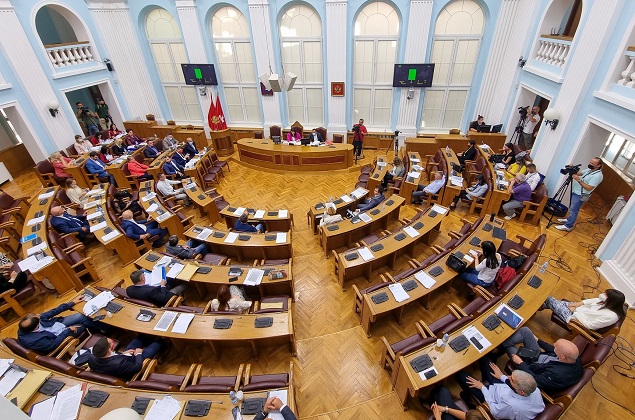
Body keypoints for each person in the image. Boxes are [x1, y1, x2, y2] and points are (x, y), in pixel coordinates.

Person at [502, 326, 583, 393]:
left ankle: (499, 346)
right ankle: (502, 344)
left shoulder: (556, 375)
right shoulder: (573, 357)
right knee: (525, 331)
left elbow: (535, 380)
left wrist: (520, 363)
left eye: (556, 347)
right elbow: (552, 349)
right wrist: (538, 340)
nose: (554, 345)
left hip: (529, 368)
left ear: (562, 357)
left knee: (509, 347)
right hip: (538, 356)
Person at [17, 295, 107, 353]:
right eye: (38, 317)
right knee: (84, 323)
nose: (39, 315)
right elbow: (53, 345)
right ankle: (105, 331)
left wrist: (71, 303)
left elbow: (53, 311)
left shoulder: (28, 324)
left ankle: (105, 329)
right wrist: (67, 330)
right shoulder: (35, 341)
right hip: (60, 337)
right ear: (37, 326)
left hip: (57, 324)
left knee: (81, 317)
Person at [455, 367, 544, 420]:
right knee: (486, 359)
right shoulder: (534, 389)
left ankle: (466, 396)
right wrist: (502, 376)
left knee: (460, 374)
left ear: (522, 392)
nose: (508, 377)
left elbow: (494, 412)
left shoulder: (511, 405)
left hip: (491, 397)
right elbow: (512, 382)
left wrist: (482, 387)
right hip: (501, 387)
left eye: (512, 379)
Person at [555, 157, 603, 232]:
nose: (590, 164)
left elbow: (589, 188)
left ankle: (568, 226)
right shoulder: (589, 170)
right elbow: (579, 173)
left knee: (574, 210)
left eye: (592, 163)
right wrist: (572, 168)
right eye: (590, 162)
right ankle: (569, 220)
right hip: (575, 191)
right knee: (572, 208)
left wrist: (579, 180)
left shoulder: (597, 176)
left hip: (580, 195)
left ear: (598, 165)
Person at [542, 289, 625, 331]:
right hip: (579, 309)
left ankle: (537, 307)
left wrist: (575, 311)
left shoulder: (610, 316)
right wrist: (578, 304)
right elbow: (595, 300)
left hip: (575, 319)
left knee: (548, 298)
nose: (602, 295)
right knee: (549, 302)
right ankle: (539, 307)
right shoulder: (610, 304)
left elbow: (589, 326)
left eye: (605, 295)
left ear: (611, 300)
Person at [88, 335, 166, 380]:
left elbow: (111, 358)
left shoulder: (92, 358)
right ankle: (164, 343)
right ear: (109, 350)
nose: (112, 342)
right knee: (158, 343)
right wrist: (138, 354)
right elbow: (137, 367)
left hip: (123, 358)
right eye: (111, 343)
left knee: (139, 338)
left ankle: (149, 338)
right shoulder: (119, 364)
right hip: (134, 362)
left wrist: (122, 354)